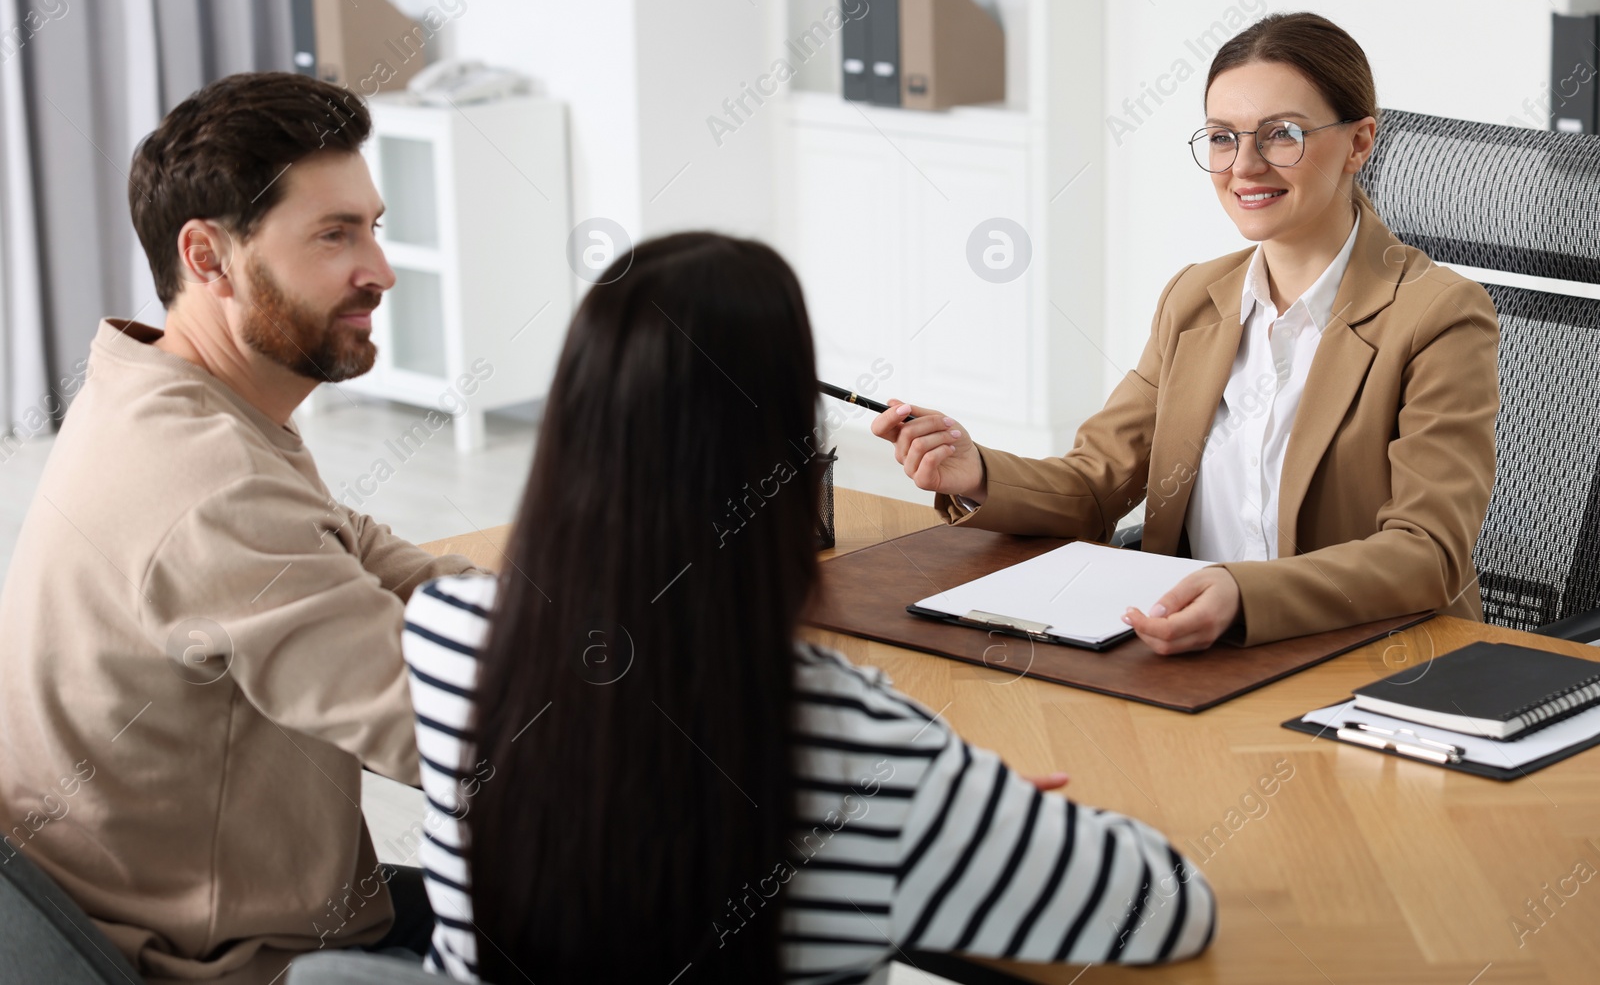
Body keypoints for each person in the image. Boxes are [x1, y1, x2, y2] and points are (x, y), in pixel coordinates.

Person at [399, 232, 1216, 984]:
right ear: (785, 466)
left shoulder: (444, 637)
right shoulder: (869, 746)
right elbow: (1169, 904)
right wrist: (983, 810)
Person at [0, 72, 485, 983]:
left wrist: (553, 600)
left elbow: (351, 543)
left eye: (372, 226)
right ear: (210, 257)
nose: (379, 269)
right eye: (335, 235)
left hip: (165, 910)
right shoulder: (206, 484)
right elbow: (452, 736)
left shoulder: (158, 390)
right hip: (233, 963)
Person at [873, 12, 1499, 655]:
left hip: (1367, 665)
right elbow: (1096, 484)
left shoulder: (1439, 316)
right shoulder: (1195, 299)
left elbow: (1429, 555)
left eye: (1282, 134)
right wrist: (974, 471)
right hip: (1193, 655)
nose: (1245, 166)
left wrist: (1244, 594)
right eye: (1223, 138)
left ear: (1360, 143)